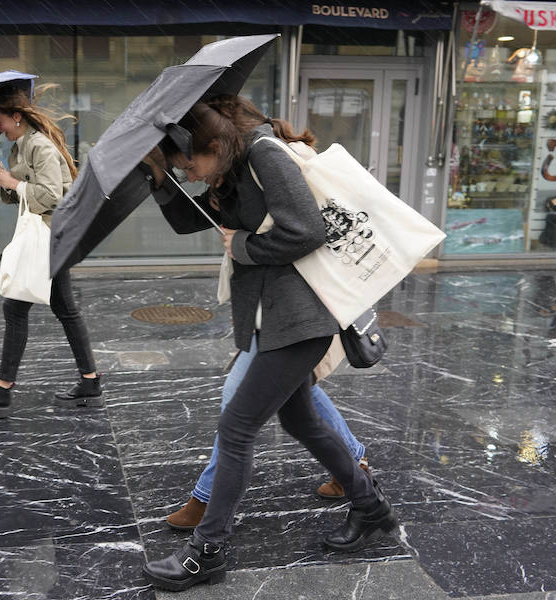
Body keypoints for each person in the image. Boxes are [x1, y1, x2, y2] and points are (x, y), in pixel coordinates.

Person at [139, 96, 398, 591]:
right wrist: (160, 179)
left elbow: (309, 230)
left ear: (211, 145)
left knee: (236, 428)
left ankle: (207, 552)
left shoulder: (264, 154)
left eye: (186, 162)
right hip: (273, 317)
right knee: (301, 418)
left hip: (303, 316)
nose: (187, 172)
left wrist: (243, 247)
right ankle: (371, 506)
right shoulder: (232, 165)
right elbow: (195, 220)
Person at [0, 83, 103, 419]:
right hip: (50, 237)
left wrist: (15, 183)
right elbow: (18, 197)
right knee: (64, 310)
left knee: (16, 308)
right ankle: (90, 382)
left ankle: (1, 390)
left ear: (17, 116)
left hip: (55, 236)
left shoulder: (40, 146)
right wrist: (1, 175)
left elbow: (51, 195)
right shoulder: (18, 149)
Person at [165, 336, 371, 529]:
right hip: (278, 316)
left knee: (238, 397)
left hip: (293, 316)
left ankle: (207, 499)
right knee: (299, 384)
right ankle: (353, 465)